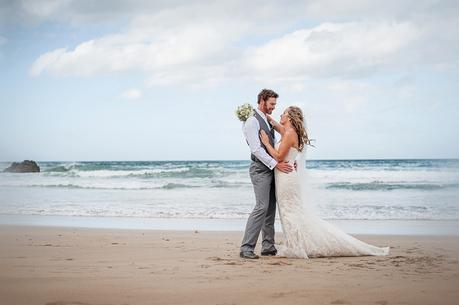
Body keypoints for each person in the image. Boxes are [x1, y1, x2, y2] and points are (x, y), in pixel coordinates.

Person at [259, 106, 390, 258]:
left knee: (290, 212)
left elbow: (279, 157)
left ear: (289, 118)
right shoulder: (289, 132)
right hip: (286, 177)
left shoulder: (289, 133)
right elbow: (276, 124)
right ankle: (295, 244)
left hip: (286, 179)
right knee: (290, 212)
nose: (280, 114)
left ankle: (296, 246)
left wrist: (267, 143)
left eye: (284, 113)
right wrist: (263, 114)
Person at [239, 89, 294, 259]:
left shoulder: (267, 119)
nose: (273, 108)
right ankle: (246, 248)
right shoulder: (251, 121)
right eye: (271, 104)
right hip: (260, 169)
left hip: (271, 168)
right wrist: (275, 164)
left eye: (275, 105)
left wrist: (290, 158)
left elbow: (281, 139)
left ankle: (268, 246)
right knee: (261, 207)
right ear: (262, 101)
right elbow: (256, 149)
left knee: (270, 209)